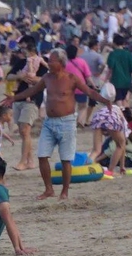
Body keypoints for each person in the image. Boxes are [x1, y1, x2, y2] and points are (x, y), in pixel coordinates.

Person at [35, 50, 91, 200]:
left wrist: (101, 97)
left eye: (51, 61)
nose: (49, 63)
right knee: (42, 155)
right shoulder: (47, 77)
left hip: (67, 121)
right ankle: (49, 189)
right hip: (49, 121)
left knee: (66, 158)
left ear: (60, 62)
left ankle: (64, 191)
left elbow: (86, 86)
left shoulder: (71, 76)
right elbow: (37, 87)